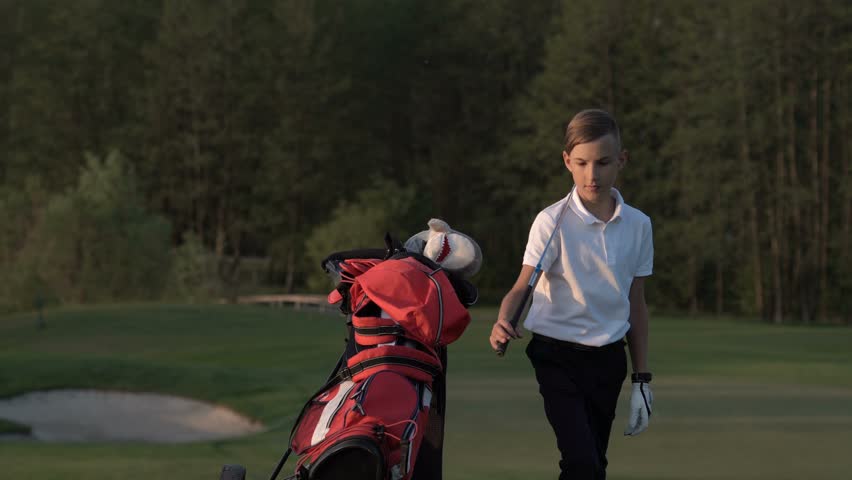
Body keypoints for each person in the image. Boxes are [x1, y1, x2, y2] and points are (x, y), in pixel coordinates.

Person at [489, 109, 654, 480]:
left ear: (621, 161)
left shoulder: (640, 226)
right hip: (556, 356)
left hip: (609, 361)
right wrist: (503, 320)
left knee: (594, 467)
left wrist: (642, 378)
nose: (591, 175)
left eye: (602, 163)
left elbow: (636, 304)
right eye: (581, 163)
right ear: (567, 161)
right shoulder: (551, 221)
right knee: (582, 464)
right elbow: (522, 286)